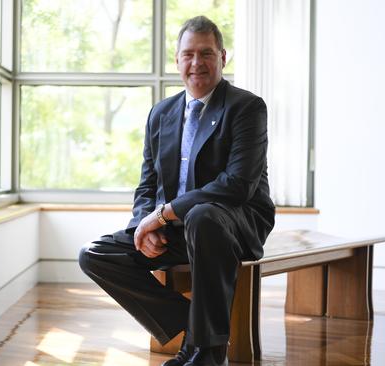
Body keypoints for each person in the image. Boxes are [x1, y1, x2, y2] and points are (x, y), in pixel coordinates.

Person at [79, 15, 275, 366]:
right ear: (177, 60)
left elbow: (238, 185)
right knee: (93, 254)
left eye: (206, 53)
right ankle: (199, 328)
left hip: (235, 223)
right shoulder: (161, 113)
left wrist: (164, 214)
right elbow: (147, 185)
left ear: (223, 57)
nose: (196, 63)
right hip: (175, 228)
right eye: (188, 54)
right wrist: (144, 225)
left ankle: (207, 354)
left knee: (202, 215)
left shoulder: (246, 107)